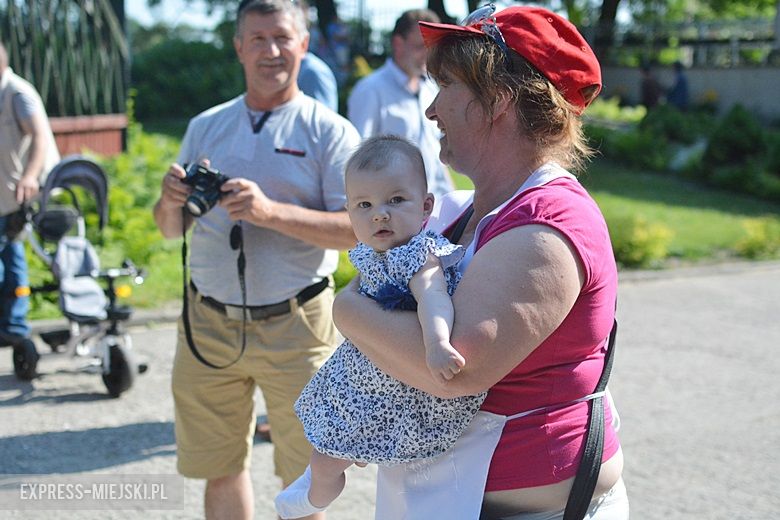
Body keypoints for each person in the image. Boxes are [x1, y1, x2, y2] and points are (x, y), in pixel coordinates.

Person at [332, 5, 628, 520]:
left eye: (445, 85)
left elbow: (456, 370)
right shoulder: (477, 208)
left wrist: (347, 312)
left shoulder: (547, 222)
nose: (431, 110)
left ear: (499, 100)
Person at [152, 1, 360, 518]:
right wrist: (169, 201)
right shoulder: (206, 125)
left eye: (283, 38)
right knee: (220, 466)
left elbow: (357, 232)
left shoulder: (330, 132)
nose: (271, 51)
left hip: (298, 326)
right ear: (239, 47)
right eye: (258, 39)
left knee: (305, 480)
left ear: (304, 45)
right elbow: (169, 228)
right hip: (207, 322)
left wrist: (269, 212)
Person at [274, 135, 486, 519]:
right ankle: (315, 486)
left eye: (395, 201)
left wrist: (438, 342)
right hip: (365, 378)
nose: (380, 215)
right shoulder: (374, 254)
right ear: (349, 212)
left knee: (333, 453)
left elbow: (433, 296)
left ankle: (316, 495)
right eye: (365, 205)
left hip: (398, 384)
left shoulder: (420, 254)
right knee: (324, 447)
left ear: (425, 207)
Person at [347, 9, 454, 199]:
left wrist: (452, 195)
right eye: (420, 46)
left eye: (432, 48)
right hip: (398, 211)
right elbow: (358, 159)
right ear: (398, 44)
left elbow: (436, 156)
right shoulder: (370, 90)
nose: (427, 55)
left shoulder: (431, 87)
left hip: (437, 205)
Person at [0, 42, 60, 349]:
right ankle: (11, 325)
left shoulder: (17, 92)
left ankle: (13, 325)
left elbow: (39, 135)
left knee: (10, 262)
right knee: (11, 259)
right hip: (4, 195)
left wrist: (30, 175)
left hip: (16, 194)